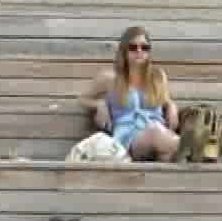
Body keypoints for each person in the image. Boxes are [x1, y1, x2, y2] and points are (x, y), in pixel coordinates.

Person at [77, 26, 181, 161]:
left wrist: (172, 106)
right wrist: (100, 104)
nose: (139, 51)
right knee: (155, 132)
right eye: (133, 47)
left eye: (144, 47)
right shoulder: (110, 78)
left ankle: (178, 152)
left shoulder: (158, 77)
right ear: (124, 51)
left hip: (159, 137)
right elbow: (82, 99)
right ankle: (188, 147)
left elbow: (165, 100)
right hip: (128, 140)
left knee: (166, 155)